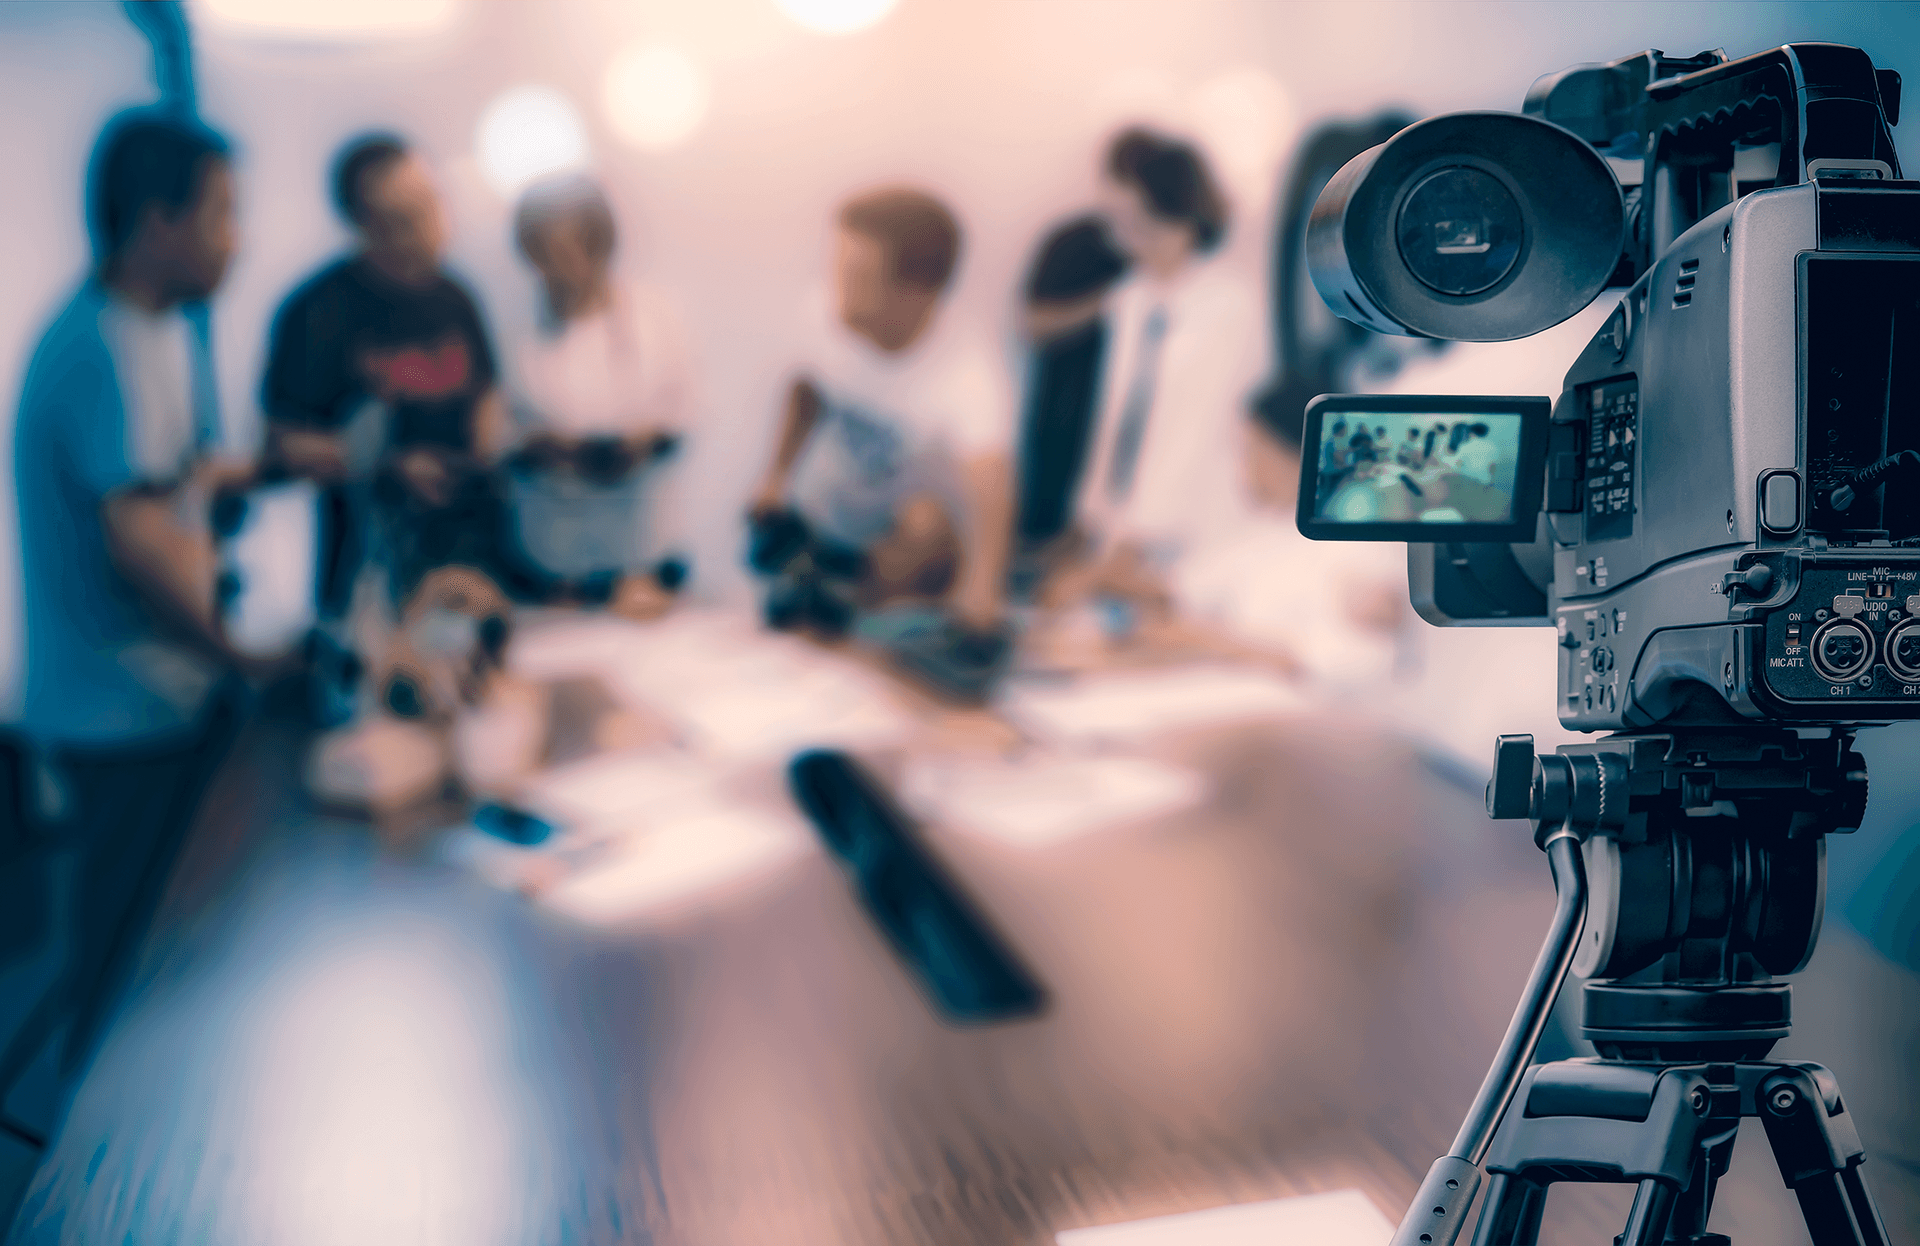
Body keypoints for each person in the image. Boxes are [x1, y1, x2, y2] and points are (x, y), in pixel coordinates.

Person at [2, 110, 250, 1138]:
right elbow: (140, 547)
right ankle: (92, 1197)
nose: (236, 238)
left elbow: (168, 483)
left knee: (149, 973)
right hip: (122, 716)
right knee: (124, 995)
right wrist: (250, 659)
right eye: (223, 213)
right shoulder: (100, 344)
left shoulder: (142, 329)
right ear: (158, 221)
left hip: (148, 706)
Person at [261, 133, 508, 714]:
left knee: (479, 724)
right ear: (363, 225)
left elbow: (486, 393)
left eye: (431, 204)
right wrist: (389, 466)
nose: (430, 226)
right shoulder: (317, 311)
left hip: (468, 576)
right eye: (404, 216)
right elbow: (281, 444)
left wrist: (488, 446)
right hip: (368, 589)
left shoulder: (456, 298)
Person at [746, 186, 1016, 653]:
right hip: (831, 522)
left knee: (924, 525)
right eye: (837, 265)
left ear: (916, 293)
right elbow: (806, 384)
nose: (836, 288)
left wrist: (982, 588)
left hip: (907, 553)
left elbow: (991, 477)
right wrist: (774, 477)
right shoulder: (824, 313)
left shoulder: (967, 371)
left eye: (856, 274)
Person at [1045, 128, 1266, 625]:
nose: (1121, 238)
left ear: (1177, 215)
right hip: (1120, 529)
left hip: (1188, 530)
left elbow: (1197, 431)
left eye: (1133, 222)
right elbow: (1115, 420)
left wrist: (1137, 541)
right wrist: (1095, 514)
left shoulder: (1231, 305)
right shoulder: (1129, 298)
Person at [505, 174, 696, 618]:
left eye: (578, 245)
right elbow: (501, 439)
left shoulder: (656, 317)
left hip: (643, 559)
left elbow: (680, 420)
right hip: (553, 568)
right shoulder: (512, 330)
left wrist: (639, 443)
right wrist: (561, 451)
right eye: (549, 250)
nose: (566, 262)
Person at [1010, 215, 1129, 588]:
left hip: (1122, 428)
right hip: (1062, 417)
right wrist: (1109, 305)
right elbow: (1034, 323)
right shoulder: (1075, 243)